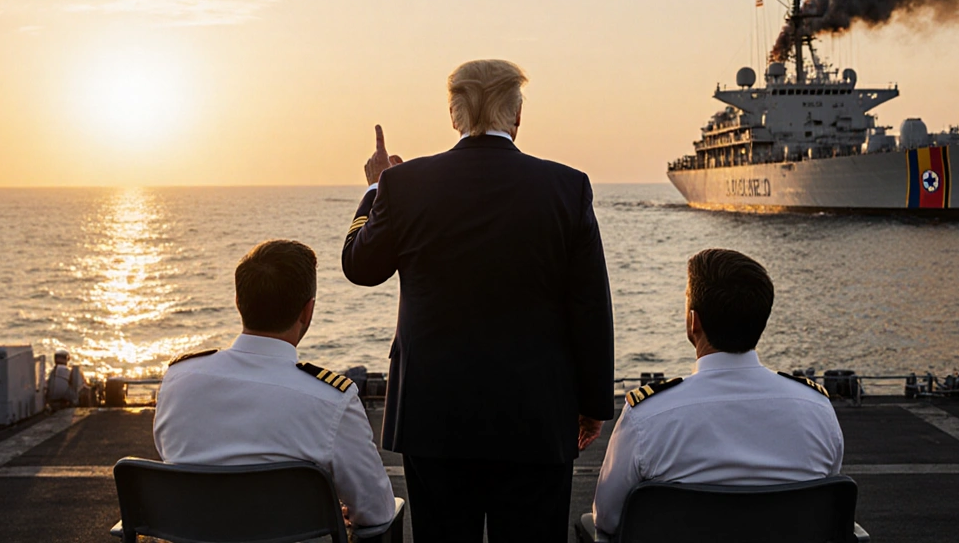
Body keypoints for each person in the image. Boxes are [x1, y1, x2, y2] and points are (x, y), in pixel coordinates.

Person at [341, 59, 615, 543]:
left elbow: (360, 267)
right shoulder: (567, 186)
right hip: (536, 417)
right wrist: (593, 403)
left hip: (433, 414)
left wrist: (375, 188)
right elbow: (589, 306)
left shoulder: (405, 185)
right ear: (518, 116)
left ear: (454, 115)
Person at [586, 249, 844, 542]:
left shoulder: (646, 418)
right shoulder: (818, 410)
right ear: (760, 320)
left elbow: (607, 518)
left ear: (693, 321)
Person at [153, 239, 395, 530]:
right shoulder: (332, 401)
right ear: (308, 311)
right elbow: (376, 511)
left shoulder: (178, 379)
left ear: (238, 302)